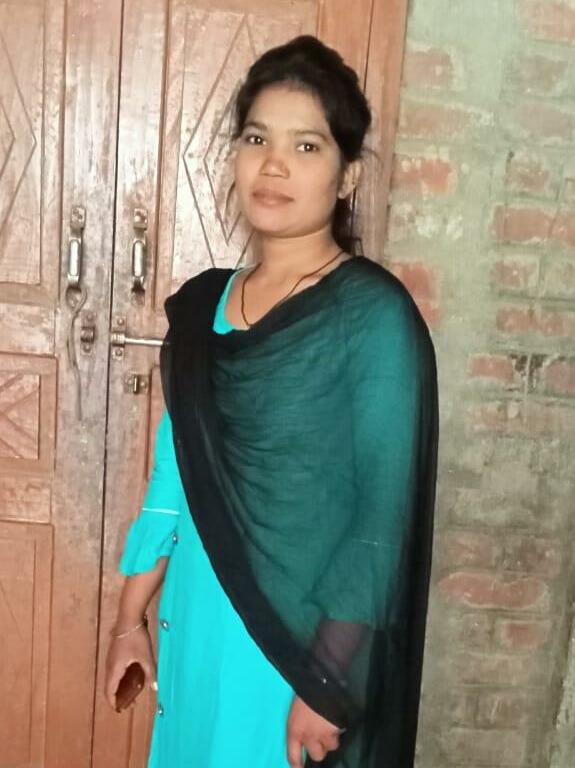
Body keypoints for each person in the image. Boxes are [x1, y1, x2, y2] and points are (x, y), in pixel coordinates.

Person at [104, 35, 439, 768]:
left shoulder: (369, 317)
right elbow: (173, 478)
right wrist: (131, 617)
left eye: (306, 146)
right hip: (199, 620)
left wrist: (326, 682)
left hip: (293, 645)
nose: (274, 164)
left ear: (348, 174)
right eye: (257, 138)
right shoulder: (204, 309)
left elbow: (381, 518)